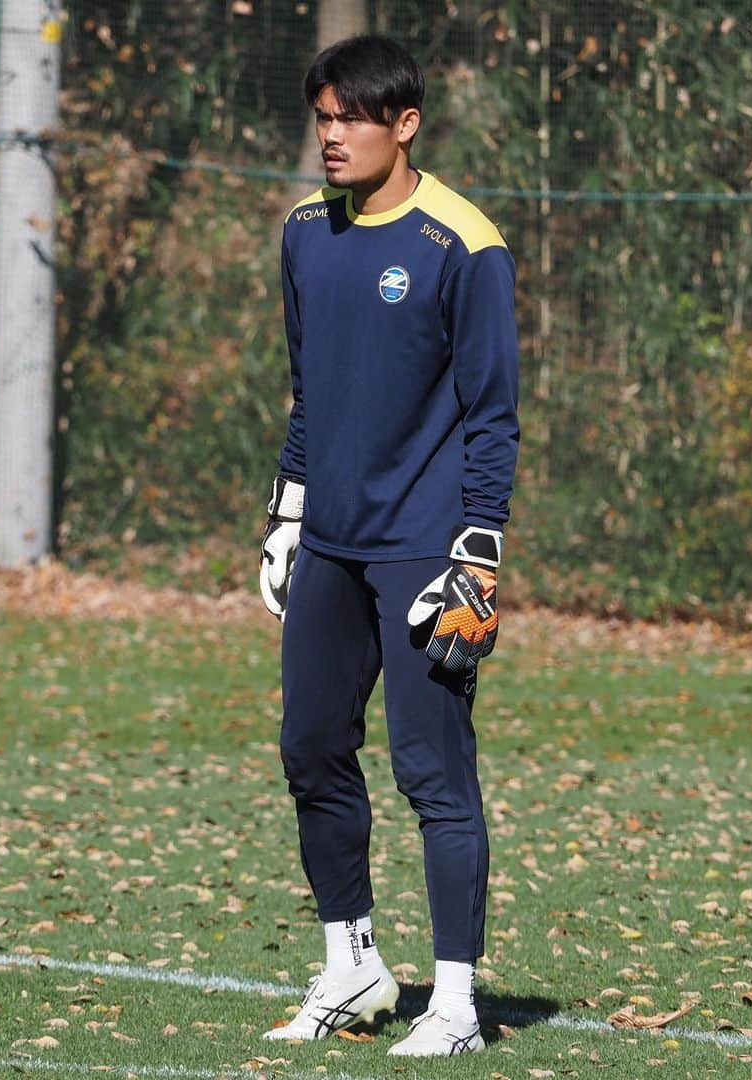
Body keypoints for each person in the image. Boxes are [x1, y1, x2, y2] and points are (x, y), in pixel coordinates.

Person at [257, 33, 520, 1058]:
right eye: (322, 118)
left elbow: (492, 414)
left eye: (351, 119)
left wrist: (479, 556)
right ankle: (353, 967)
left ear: (404, 124)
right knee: (311, 748)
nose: (332, 136)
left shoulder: (465, 241)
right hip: (331, 542)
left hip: (425, 546)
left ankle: (454, 1004)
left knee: (432, 772)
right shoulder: (303, 233)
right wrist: (286, 513)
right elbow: (309, 391)